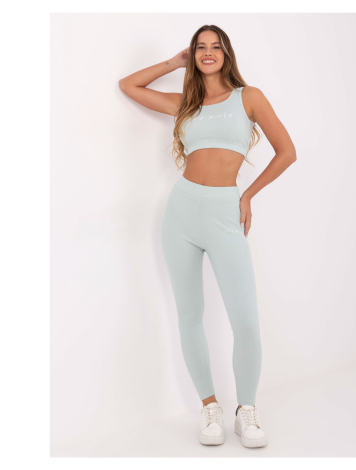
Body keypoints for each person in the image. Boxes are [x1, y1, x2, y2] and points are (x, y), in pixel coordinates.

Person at [119, 25, 296, 448]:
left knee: (245, 321)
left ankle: (246, 410)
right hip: (181, 213)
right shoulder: (186, 103)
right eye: (200, 47)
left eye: (216, 46)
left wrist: (247, 195)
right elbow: (128, 86)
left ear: (227, 53)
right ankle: (210, 407)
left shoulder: (248, 97)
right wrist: (174, 62)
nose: (208, 52)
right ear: (193, 54)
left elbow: (287, 151)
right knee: (190, 316)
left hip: (224, 213)